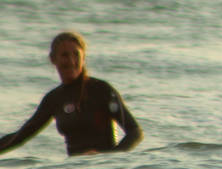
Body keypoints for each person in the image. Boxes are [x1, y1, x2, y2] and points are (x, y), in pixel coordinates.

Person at [0, 32, 143, 156]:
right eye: (65, 55)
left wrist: (108, 158)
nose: (71, 61)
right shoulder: (54, 98)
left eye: (76, 55)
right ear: (53, 59)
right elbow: (21, 136)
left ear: (83, 58)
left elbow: (135, 132)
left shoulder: (101, 90)